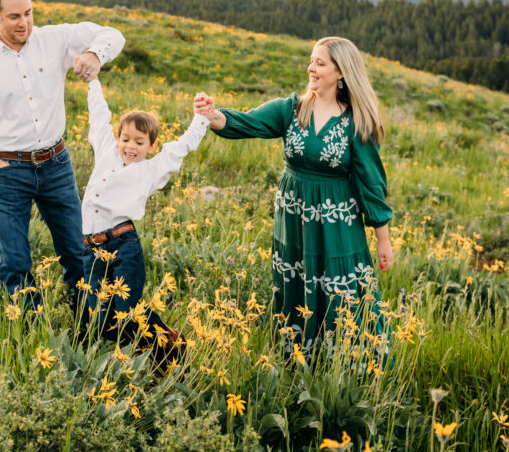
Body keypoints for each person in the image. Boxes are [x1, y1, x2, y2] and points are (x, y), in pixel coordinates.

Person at [195, 36, 393, 356]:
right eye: (311, 61)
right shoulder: (291, 109)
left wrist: (383, 240)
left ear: (341, 72)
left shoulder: (357, 121)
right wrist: (211, 114)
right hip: (294, 216)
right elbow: (246, 123)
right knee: (296, 284)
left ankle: (348, 362)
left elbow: (372, 184)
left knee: (340, 288)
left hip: (336, 221)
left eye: (320, 63)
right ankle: (298, 358)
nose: (310, 68)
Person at [0, 0, 125, 309]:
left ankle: (85, 323)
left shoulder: (53, 38)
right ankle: (28, 333)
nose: (24, 22)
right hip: (8, 170)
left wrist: (94, 54)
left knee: (77, 248)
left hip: (56, 164)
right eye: (14, 16)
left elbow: (112, 34)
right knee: (15, 260)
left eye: (28, 13)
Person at [79, 71, 210, 364]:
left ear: (151, 147)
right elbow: (98, 117)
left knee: (126, 309)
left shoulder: (151, 169)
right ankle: (138, 353)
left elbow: (183, 146)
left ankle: (170, 349)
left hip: (123, 245)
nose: (130, 147)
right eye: (126, 139)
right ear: (118, 138)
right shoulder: (106, 152)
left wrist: (201, 117)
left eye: (139, 142)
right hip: (90, 248)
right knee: (99, 317)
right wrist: (93, 82)